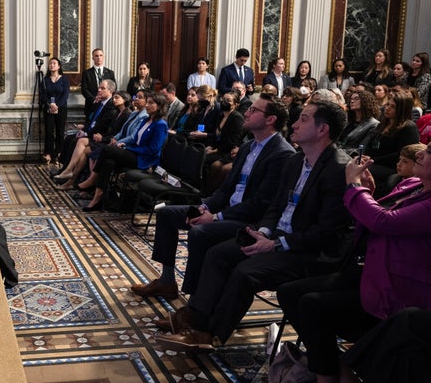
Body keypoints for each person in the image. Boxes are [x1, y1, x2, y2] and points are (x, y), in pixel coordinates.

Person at [155, 102, 352, 351]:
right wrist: (265, 231)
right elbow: (276, 206)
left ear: (322, 129)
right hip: (278, 235)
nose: (294, 124)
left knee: (245, 271)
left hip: (308, 250)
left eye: (302, 119)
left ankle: (212, 335)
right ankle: (197, 318)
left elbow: (327, 232)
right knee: (219, 254)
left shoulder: (338, 169)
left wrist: (276, 243)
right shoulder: (298, 160)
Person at [276, 142, 431, 383]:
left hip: (400, 288)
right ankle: (338, 368)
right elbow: (372, 216)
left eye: (430, 151)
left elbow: (383, 222)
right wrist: (367, 191)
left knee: (313, 305)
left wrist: (355, 186)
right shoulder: (411, 185)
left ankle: (329, 378)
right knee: (290, 293)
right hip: (374, 270)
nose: (421, 153)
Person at [129, 94, 296, 300]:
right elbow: (226, 189)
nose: (247, 112)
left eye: (254, 110)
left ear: (270, 120)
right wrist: (206, 207)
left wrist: (217, 217)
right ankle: (167, 280)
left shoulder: (281, 154)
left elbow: (260, 203)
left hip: (248, 221)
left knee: (199, 232)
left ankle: (194, 300)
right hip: (227, 210)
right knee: (166, 214)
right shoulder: (247, 147)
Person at [76, 93, 168, 212]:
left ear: (160, 106)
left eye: (151, 103)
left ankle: (92, 180)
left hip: (145, 159)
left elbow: (153, 149)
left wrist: (129, 148)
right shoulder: (146, 120)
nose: (147, 105)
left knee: (107, 149)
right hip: (134, 153)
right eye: (148, 102)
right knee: (108, 162)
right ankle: (97, 199)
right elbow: (135, 139)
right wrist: (126, 145)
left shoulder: (161, 124)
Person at [55, 90, 130, 189]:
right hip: (106, 138)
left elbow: (119, 133)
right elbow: (94, 119)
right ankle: (71, 179)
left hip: (112, 142)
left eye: (117, 98)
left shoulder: (127, 114)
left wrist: (102, 138)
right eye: (114, 98)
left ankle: (72, 176)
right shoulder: (118, 112)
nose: (114, 100)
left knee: (82, 143)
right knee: (81, 146)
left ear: (124, 100)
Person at [366, 91, 420, 192]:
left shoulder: (408, 127)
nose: (387, 108)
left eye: (393, 106)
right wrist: (365, 156)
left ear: (402, 110)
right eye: (387, 104)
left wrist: (373, 160)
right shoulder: (382, 124)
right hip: (373, 162)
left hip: (392, 167)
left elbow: (402, 154)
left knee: (363, 171)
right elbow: (370, 144)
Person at [39, 57, 70, 164]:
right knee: (49, 132)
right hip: (48, 109)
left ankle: (59, 153)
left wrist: (57, 105)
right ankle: (48, 154)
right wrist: (50, 104)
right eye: (50, 63)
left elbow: (65, 94)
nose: (52, 65)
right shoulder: (45, 80)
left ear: (59, 66)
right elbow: (43, 95)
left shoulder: (64, 79)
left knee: (60, 132)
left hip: (61, 109)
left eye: (54, 63)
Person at [337, 89, 379, 156]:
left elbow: (361, 149)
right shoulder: (349, 121)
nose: (352, 101)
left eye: (356, 99)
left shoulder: (373, 124)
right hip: (338, 154)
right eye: (351, 99)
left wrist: (337, 152)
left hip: (351, 158)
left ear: (365, 101)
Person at [81, 48, 116, 117]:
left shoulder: (110, 73)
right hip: (91, 105)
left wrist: (107, 98)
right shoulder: (87, 73)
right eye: (96, 56)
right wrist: (94, 99)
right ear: (93, 58)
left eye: (101, 55)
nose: (99, 58)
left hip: (107, 105)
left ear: (103, 57)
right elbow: (84, 89)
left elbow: (114, 88)